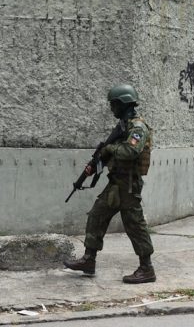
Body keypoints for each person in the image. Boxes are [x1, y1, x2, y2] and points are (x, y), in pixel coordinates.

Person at [64, 84, 156, 284]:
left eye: (114, 104)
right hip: (116, 184)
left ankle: (147, 268)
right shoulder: (123, 126)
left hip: (129, 186)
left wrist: (108, 149)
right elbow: (113, 152)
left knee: (135, 226)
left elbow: (130, 152)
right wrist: (96, 164)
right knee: (97, 215)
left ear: (123, 103)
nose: (111, 108)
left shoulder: (137, 128)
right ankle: (89, 260)